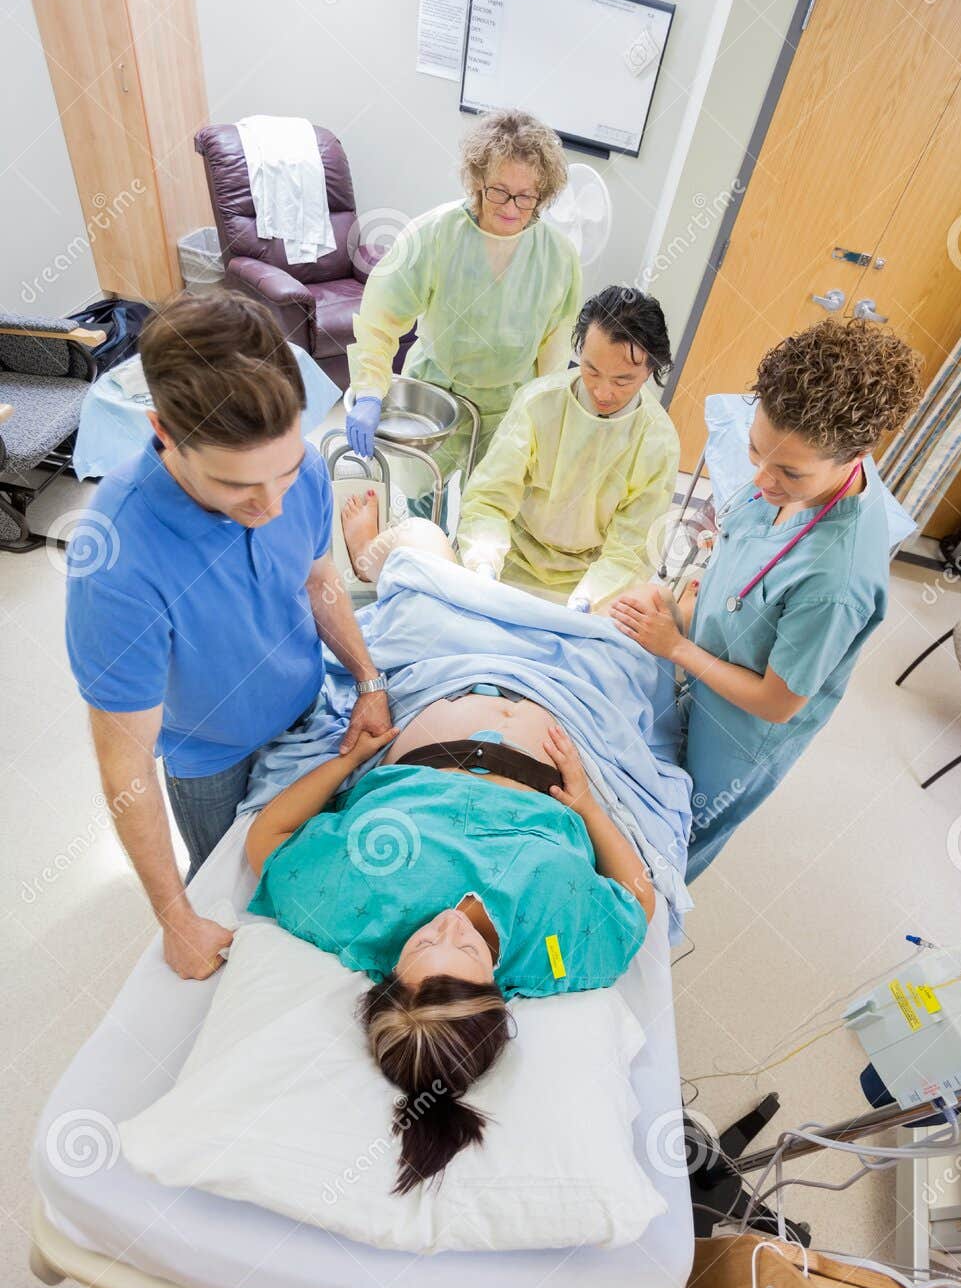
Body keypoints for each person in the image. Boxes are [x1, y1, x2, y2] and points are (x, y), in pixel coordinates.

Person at [245, 511, 655, 1195]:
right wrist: (585, 805)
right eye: (463, 951)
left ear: (388, 975)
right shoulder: (561, 953)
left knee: (421, 545)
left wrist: (360, 757)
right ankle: (532, 584)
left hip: (438, 674)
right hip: (568, 693)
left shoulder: (348, 913)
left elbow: (267, 839)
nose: (445, 928)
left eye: (419, 946)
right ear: (499, 991)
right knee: (633, 603)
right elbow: (639, 899)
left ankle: (374, 551)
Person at [65, 291, 391, 981]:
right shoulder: (116, 556)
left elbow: (317, 576)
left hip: (307, 708)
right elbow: (125, 766)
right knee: (237, 894)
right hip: (210, 758)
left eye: (282, 474)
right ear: (163, 431)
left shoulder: (294, 469)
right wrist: (177, 920)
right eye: (236, 486)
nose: (270, 505)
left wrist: (366, 678)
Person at [611, 319, 924, 879]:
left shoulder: (836, 579)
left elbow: (779, 703)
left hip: (742, 729)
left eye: (788, 472)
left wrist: (676, 647)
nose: (761, 480)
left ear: (853, 457)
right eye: (756, 451)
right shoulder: (794, 457)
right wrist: (679, 602)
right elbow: (738, 551)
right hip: (706, 658)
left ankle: (641, 926)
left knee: (674, 836)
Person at [345, 107, 581, 462]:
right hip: (433, 395)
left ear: (542, 194)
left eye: (526, 196)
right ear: (477, 182)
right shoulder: (434, 235)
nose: (512, 208)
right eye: (500, 191)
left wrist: (544, 416)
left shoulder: (558, 256)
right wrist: (368, 392)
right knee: (422, 502)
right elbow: (380, 320)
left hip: (508, 406)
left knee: (485, 507)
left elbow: (555, 348)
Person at [455, 287, 679, 610]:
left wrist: (586, 601)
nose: (603, 391)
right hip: (510, 559)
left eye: (622, 381)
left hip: (591, 580)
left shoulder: (658, 443)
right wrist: (484, 565)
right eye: (591, 370)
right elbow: (488, 500)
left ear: (650, 369)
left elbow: (628, 552)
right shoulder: (538, 404)